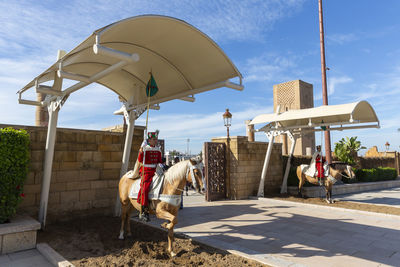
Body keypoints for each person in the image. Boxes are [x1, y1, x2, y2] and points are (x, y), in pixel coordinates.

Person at [137, 131, 162, 222]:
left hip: (156, 170)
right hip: (146, 171)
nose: (156, 141)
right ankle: (143, 211)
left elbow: (159, 160)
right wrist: (141, 149)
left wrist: (161, 165)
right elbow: (140, 160)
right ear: (150, 140)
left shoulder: (158, 149)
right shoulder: (145, 148)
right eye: (154, 139)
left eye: (156, 139)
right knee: (145, 188)